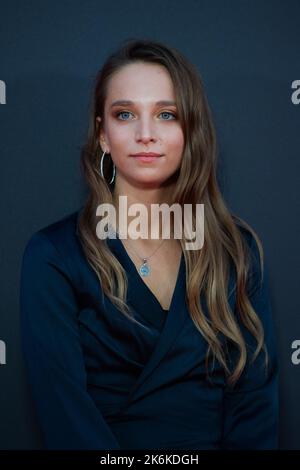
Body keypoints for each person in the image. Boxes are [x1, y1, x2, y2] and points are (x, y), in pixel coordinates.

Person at [20, 38, 279, 450]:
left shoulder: (235, 250)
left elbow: (254, 408)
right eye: (125, 114)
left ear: (189, 128)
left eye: (166, 114)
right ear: (103, 134)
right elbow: (64, 414)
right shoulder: (54, 254)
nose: (145, 134)